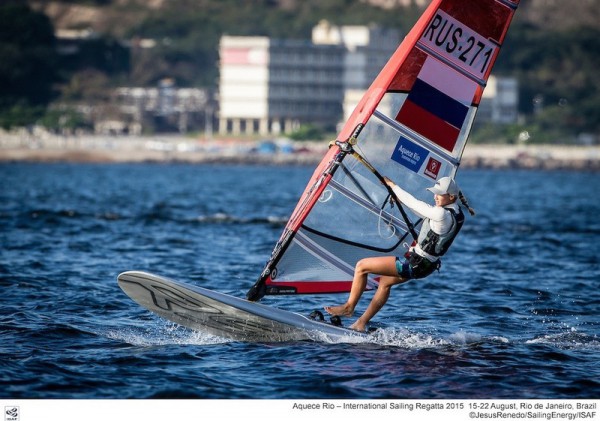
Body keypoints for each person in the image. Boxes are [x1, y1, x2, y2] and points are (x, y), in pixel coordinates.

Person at [325, 176, 475, 332]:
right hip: (426, 265)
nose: (435, 197)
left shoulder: (441, 214)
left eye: (439, 194)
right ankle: (361, 323)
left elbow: (416, 204)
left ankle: (349, 307)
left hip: (415, 264)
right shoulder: (456, 213)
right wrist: (399, 199)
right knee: (384, 283)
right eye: (435, 193)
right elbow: (421, 210)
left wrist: (392, 185)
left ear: (451, 197)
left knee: (361, 266)